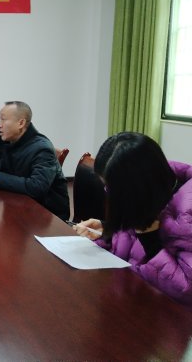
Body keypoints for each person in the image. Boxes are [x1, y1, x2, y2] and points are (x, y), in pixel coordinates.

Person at [73, 132, 192, 308]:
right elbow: (131, 242)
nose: (109, 194)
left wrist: (151, 243)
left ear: (133, 188)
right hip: (134, 295)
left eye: (112, 188)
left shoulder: (186, 215)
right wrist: (108, 230)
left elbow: (186, 291)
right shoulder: (147, 192)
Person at [0, 101, 69, 220]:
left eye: (3, 119)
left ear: (21, 123)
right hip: (22, 204)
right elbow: (4, 165)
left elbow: (37, 187)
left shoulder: (42, 148)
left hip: (47, 216)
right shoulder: (15, 141)